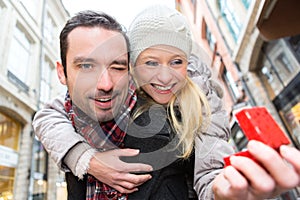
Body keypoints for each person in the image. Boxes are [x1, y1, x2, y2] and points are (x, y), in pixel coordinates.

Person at [33, 5, 300, 200]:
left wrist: (223, 192)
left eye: (176, 62)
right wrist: (87, 160)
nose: (164, 76)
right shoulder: (87, 101)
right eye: (150, 63)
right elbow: (46, 117)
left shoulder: (198, 106)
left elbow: (210, 171)